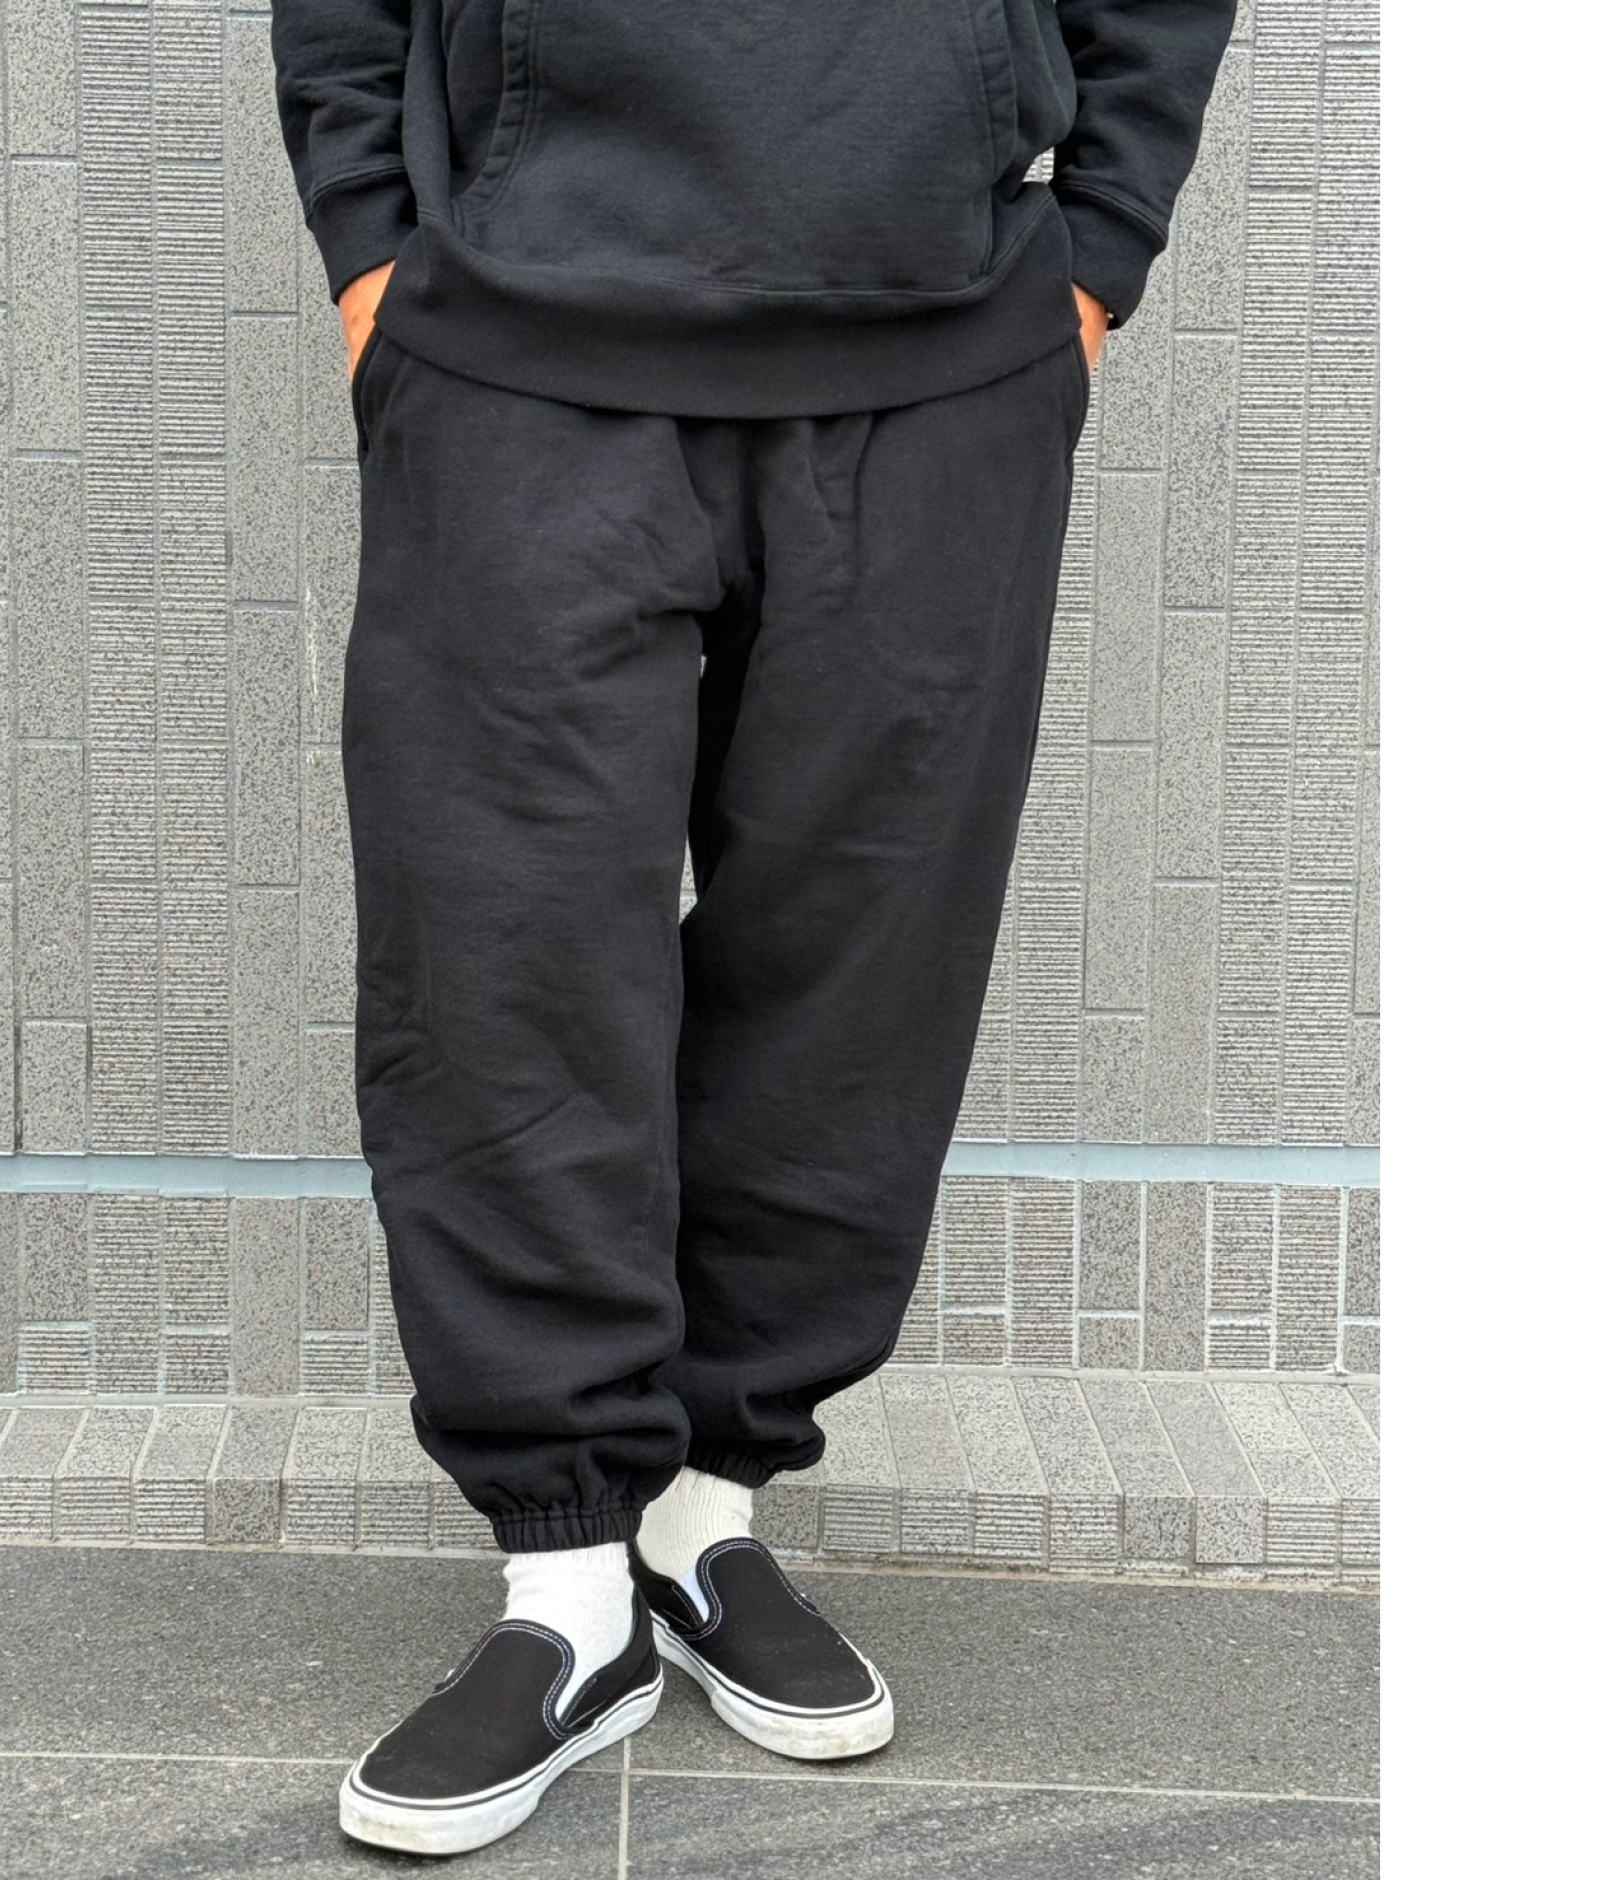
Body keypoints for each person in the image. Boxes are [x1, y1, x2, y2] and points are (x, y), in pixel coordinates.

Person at [271, 0, 1233, 1855]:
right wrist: (374, 257)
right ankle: (567, 1582)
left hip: (944, 364)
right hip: (521, 353)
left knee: (861, 962)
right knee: (504, 959)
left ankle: (704, 1510)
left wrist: (1093, 260)